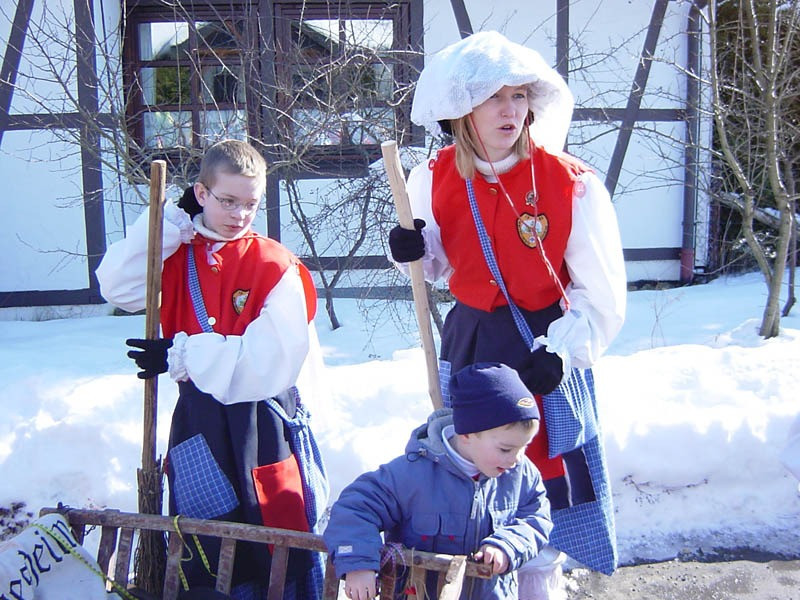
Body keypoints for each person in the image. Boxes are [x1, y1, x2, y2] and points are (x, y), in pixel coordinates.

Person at [387, 31, 627, 597]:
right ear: (461, 109)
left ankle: (541, 585)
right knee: (472, 474)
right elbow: (434, 265)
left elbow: (602, 295)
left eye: (518, 96)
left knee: (540, 481)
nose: (510, 110)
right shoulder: (432, 176)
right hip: (471, 343)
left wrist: (561, 352)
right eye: (494, 97)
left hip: (542, 349)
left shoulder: (570, 183)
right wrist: (410, 249)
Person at [96, 139, 328, 599]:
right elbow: (117, 286)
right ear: (201, 193)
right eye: (227, 201)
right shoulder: (173, 254)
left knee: (273, 537)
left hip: (261, 423)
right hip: (198, 421)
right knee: (205, 537)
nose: (240, 214)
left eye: (250, 204)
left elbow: (272, 360)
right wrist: (166, 225)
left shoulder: (276, 265)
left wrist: (183, 354)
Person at [324, 362, 552, 600]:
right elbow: (355, 508)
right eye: (506, 449)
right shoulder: (412, 474)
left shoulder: (521, 475)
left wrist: (509, 544)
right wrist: (359, 564)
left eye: (524, 447)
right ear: (466, 434)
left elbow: (536, 517)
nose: (516, 459)